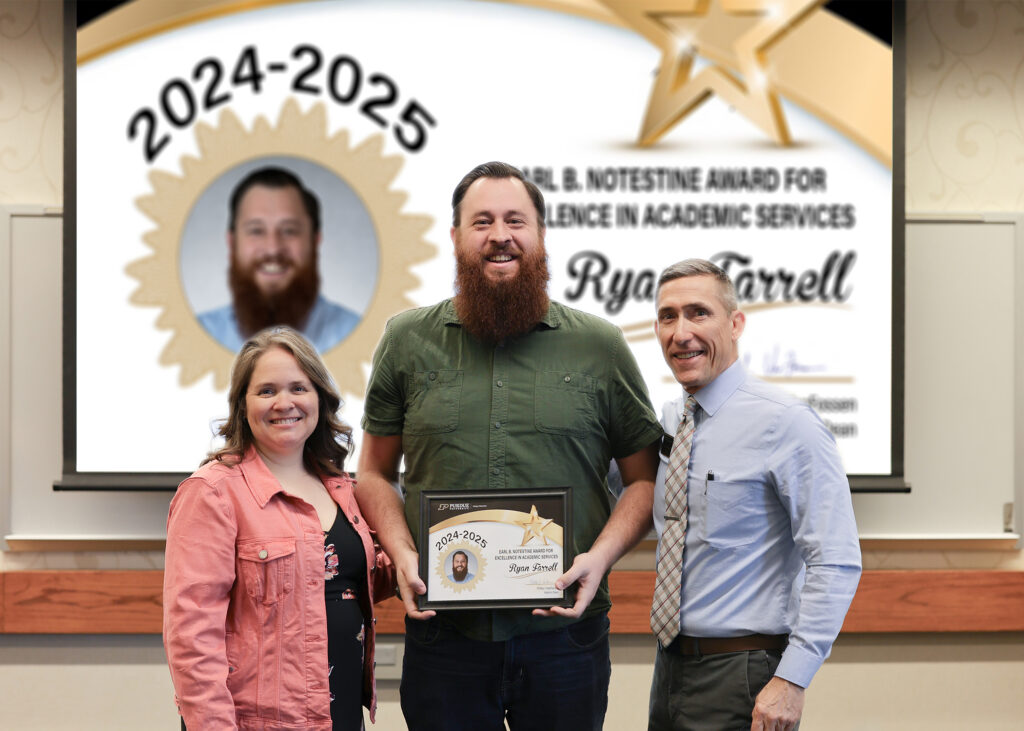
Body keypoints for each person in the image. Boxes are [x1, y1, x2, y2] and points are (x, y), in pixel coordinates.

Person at [356, 161, 663, 730]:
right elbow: (372, 473)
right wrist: (400, 553)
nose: (500, 235)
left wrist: (600, 559)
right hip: (444, 637)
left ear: (541, 236)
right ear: (455, 238)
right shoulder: (406, 340)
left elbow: (645, 480)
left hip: (565, 638)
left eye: (516, 220)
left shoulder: (601, 346)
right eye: (482, 221)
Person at [647, 259, 862, 731]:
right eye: (667, 316)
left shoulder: (787, 423)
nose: (681, 332)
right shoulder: (667, 421)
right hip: (669, 668)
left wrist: (793, 679)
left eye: (698, 312)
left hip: (745, 672)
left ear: (736, 323)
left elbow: (836, 559)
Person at [163, 326, 394, 730]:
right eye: (266, 391)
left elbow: (353, 582)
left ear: (319, 398)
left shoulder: (344, 489)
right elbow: (192, 638)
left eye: (298, 388)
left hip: (338, 715)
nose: (284, 403)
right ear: (243, 404)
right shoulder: (213, 492)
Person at [197, 167, 361, 352]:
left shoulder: (363, 339)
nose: (273, 248)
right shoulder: (195, 338)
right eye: (256, 230)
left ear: (315, 241)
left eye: (289, 230)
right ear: (231, 242)